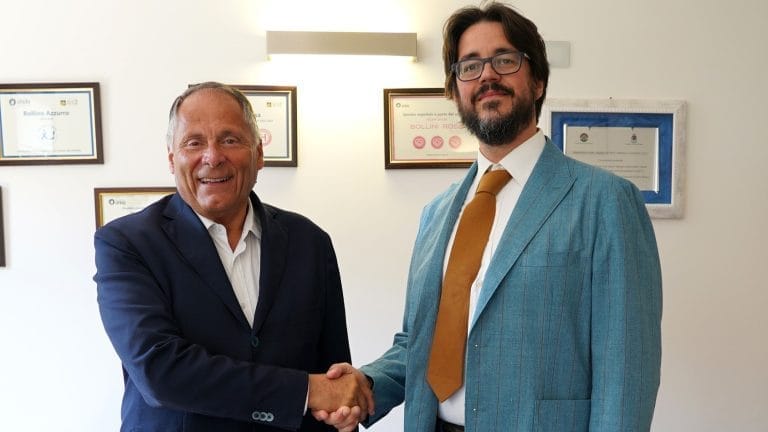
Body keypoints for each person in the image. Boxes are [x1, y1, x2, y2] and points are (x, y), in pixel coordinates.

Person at [314, 2, 662, 431]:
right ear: (455, 90)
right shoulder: (437, 214)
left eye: (504, 60)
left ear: (537, 81)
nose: (487, 76)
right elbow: (420, 343)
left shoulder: (605, 201)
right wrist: (366, 384)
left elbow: (626, 369)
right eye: (470, 66)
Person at [95, 82, 372, 431]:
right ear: (171, 159)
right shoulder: (127, 243)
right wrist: (304, 391)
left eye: (229, 140)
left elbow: (333, 377)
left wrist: (343, 409)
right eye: (193, 143)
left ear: (258, 154)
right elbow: (159, 370)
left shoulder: (310, 241)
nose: (212, 157)